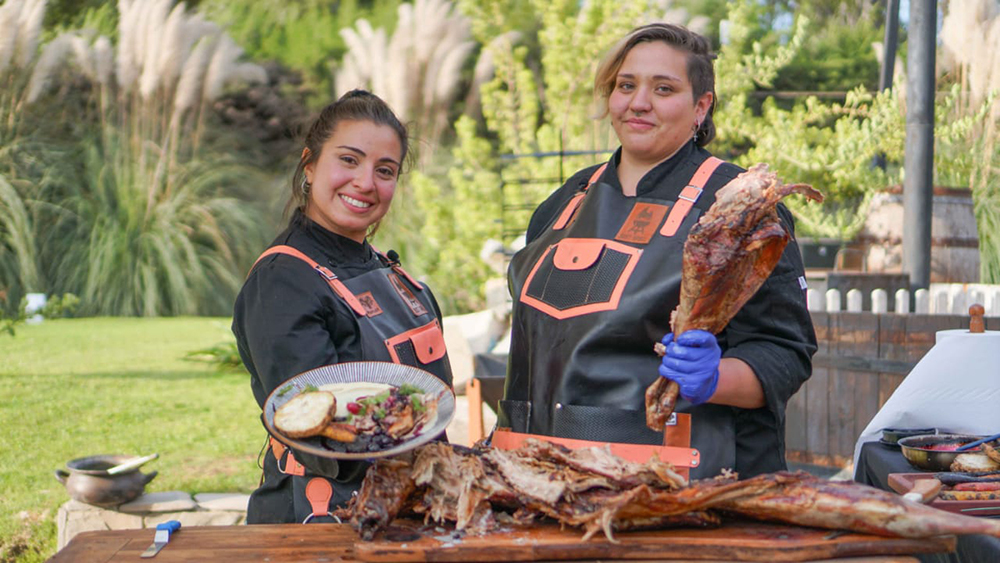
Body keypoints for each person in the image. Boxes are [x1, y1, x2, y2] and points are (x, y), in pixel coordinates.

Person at [498, 23, 817, 480]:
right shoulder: (561, 206)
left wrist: (713, 377)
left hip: (680, 485)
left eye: (663, 88)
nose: (638, 102)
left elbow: (786, 354)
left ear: (700, 106)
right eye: (626, 85)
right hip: (539, 477)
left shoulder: (738, 205)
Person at [233, 90, 453, 524]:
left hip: (410, 509)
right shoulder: (284, 280)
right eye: (349, 160)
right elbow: (313, 428)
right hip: (323, 519)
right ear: (310, 165)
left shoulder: (389, 272)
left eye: (384, 170)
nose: (366, 182)